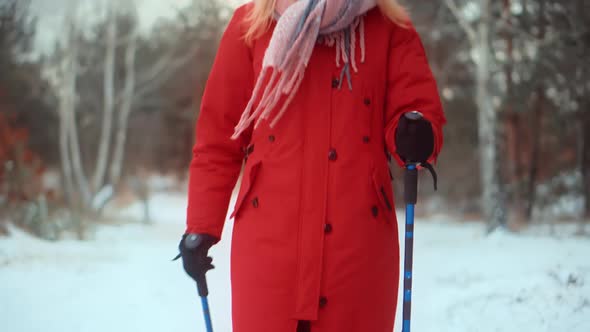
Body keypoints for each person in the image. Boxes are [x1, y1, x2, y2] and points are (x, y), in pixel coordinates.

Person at [177, 0, 446, 331]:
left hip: (358, 255)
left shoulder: (389, 26)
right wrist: (202, 226)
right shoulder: (250, 26)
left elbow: (416, 107)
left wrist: (416, 133)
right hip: (270, 255)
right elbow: (218, 139)